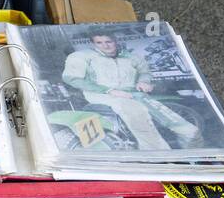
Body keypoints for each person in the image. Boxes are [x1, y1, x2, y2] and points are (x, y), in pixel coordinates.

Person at [62, 30, 201, 151]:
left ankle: (193, 147)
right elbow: (72, 79)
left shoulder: (130, 56)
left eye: (109, 41)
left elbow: (144, 71)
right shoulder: (83, 57)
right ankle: (157, 155)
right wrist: (108, 90)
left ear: (115, 40)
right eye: (99, 42)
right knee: (137, 113)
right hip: (102, 95)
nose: (105, 45)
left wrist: (144, 81)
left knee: (177, 121)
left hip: (133, 93)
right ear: (93, 43)